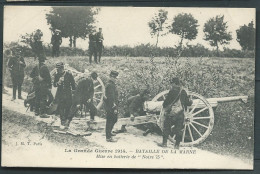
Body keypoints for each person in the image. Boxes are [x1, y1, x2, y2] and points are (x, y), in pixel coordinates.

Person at [158, 77, 192, 149]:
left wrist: (165, 107)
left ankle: (164, 144)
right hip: (180, 114)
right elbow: (188, 103)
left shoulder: (172, 91)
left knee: (166, 127)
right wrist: (190, 100)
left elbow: (166, 103)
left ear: (174, 83)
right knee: (179, 129)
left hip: (171, 114)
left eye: (172, 83)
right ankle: (177, 145)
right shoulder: (184, 92)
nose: (171, 85)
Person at [53, 62, 76, 130]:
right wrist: (58, 82)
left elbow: (73, 84)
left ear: (62, 68)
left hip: (68, 94)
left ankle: (66, 120)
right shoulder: (57, 75)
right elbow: (54, 84)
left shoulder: (69, 75)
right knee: (61, 107)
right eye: (57, 69)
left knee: (68, 107)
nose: (57, 70)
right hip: (60, 94)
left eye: (58, 69)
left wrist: (74, 92)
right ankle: (62, 121)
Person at [104, 70, 119, 142]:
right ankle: (108, 137)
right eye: (113, 77)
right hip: (111, 106)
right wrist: (114, 107)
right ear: (111, 77)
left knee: (114, 119)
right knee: (110, 120)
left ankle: (109, 132)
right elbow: (111, 97)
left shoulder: (111, 84)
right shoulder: (110, 85)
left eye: (115, 77)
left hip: (111, 105)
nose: (115, 79)